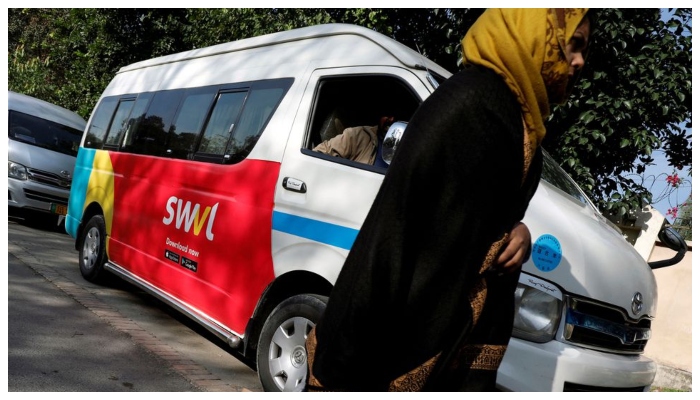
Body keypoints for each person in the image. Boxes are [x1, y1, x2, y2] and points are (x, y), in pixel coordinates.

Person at [305, 8, 592, 392]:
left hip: (456, 337)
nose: (579, 62)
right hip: (404, 334)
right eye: (574, 45)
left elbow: (484, 212)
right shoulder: (467, 103)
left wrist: (517, 232)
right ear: (533, 37)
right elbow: (398, 227)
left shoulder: (524, 126)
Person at [313, 115, 395, 166]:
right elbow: (320, 152)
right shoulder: (359, 136)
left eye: (397, 115)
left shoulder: (406, 154)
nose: (390, 119)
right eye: (388, 114)